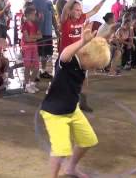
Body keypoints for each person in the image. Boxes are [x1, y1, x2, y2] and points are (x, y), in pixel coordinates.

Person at [40, 21, 99, 178]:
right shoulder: (68, 61)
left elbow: (97, 50)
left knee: (89, 140)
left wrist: (106, 36)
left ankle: (71, 168)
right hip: (54, 112)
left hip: (72, 109)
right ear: (86, 55)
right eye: (94, 65)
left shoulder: (84, 66)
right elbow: (65, 53)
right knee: (61, 148)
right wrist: (83, 41)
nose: (94, 68)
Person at [60, 0, 107, 112]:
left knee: (84, 80)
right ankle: (64, 103)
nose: (79, 12)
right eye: (76, 10)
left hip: (80, 57)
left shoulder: (82, 18)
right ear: (70, 11)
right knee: (66, 81)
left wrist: (103, 1)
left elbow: (95, 10)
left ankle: (83, 103)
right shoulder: (65, 20)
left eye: (80, 10)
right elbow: (65, 8)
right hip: (67, 56)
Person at [32, 0, 59, 80]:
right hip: (37, 33)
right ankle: (35, 73)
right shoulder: (34, 1)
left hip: (48, 32)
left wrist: (56, 29)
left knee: (46, 53)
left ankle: (43, 71)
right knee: (36, 53)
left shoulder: (49, 2)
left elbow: (53, 16)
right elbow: (29, 17)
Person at [21, 7, 42, 93]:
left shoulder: (35, 25)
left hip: (34, 47)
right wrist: (34, 37)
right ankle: (26, 85)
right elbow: (27, 39)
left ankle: (32, 83)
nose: (35, 16)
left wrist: (32, 37)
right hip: (27, 48)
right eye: (33, 14)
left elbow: (40, 36)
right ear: (28, 15)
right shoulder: (25, 25)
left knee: (36, 66)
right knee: (27, 66)